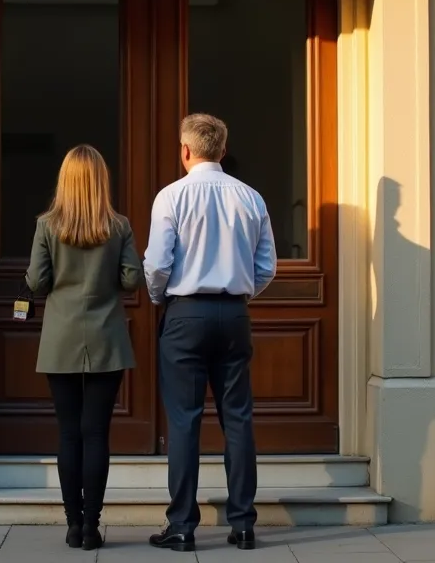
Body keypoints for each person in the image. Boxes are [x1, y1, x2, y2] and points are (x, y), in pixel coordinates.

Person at [142, 113, 277, 552]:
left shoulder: (171, 196)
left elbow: (157, 264)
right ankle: (243, 524)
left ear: (185, 150)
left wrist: (162, 298)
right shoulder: (251, 197)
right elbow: (266, 267)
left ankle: (182, 526)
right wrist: (239, 293)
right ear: (222, 149)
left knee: (184, 422)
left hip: (186, 313)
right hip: (234, 315)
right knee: (238, 418)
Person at [26, 144, 142, 551]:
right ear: (100, 182)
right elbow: (131, 279)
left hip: (60, 339)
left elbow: (37, 282)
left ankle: (73, 524)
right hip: (107, 338)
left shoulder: (46, 226)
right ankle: (92, 525)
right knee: (96, 434)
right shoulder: (119, 226)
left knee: (68, 434)